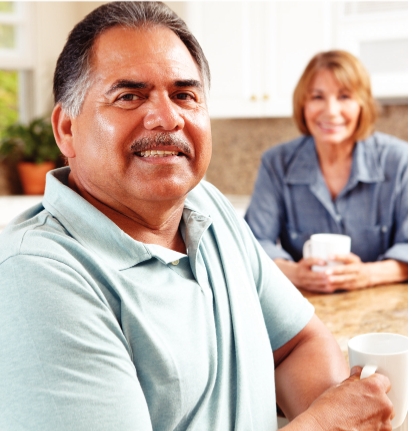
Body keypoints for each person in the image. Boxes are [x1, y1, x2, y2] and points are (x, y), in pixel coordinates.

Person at [0, 4, 394, 430]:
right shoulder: (35, 278)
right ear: (66, 129)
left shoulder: (206, 206)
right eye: (129, 95)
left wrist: (342, 414)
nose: (168, 117)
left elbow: (297, 342)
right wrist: (323, 425)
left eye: (184, 95)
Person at [245, 50, 408, 293]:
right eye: (317, 97)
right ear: (303, 104)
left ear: (362, 104)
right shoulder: (276, 163)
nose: (331, 111)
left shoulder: (399, 160)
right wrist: (294, 273)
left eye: (344, 96)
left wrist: (367, 274)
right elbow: (251, 243)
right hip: (303, 307)